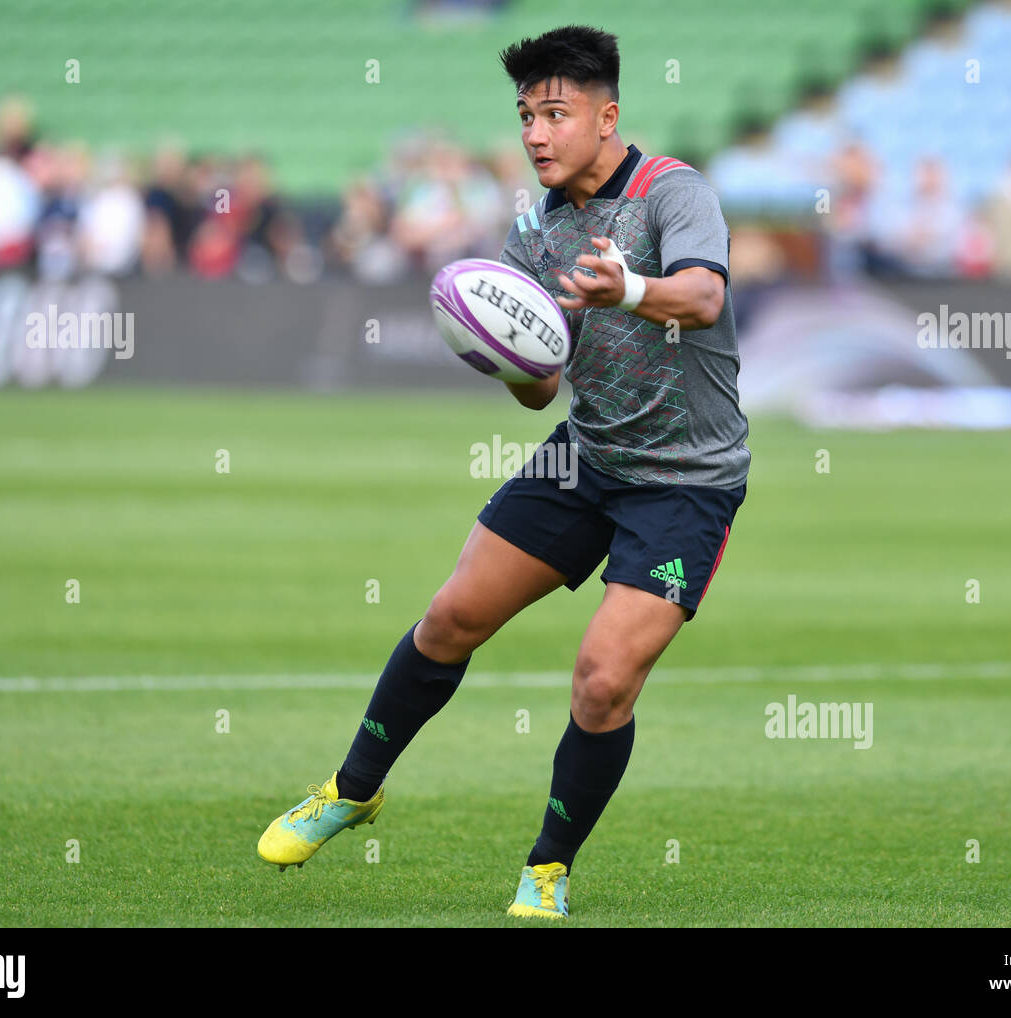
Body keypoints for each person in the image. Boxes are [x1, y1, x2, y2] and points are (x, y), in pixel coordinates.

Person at [257, 24, 751, 920]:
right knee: (451, 617)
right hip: (588, 453)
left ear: (607, 118)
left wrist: (627, 290)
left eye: (555, 114)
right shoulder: (535, 232)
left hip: (687, 482)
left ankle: (548, 870)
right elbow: (543, 390)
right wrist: (501, 353)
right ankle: (353, 788)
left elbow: (704, 295)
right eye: (526, 115)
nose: (535, 134)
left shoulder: (676, 193)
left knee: (603, 680)